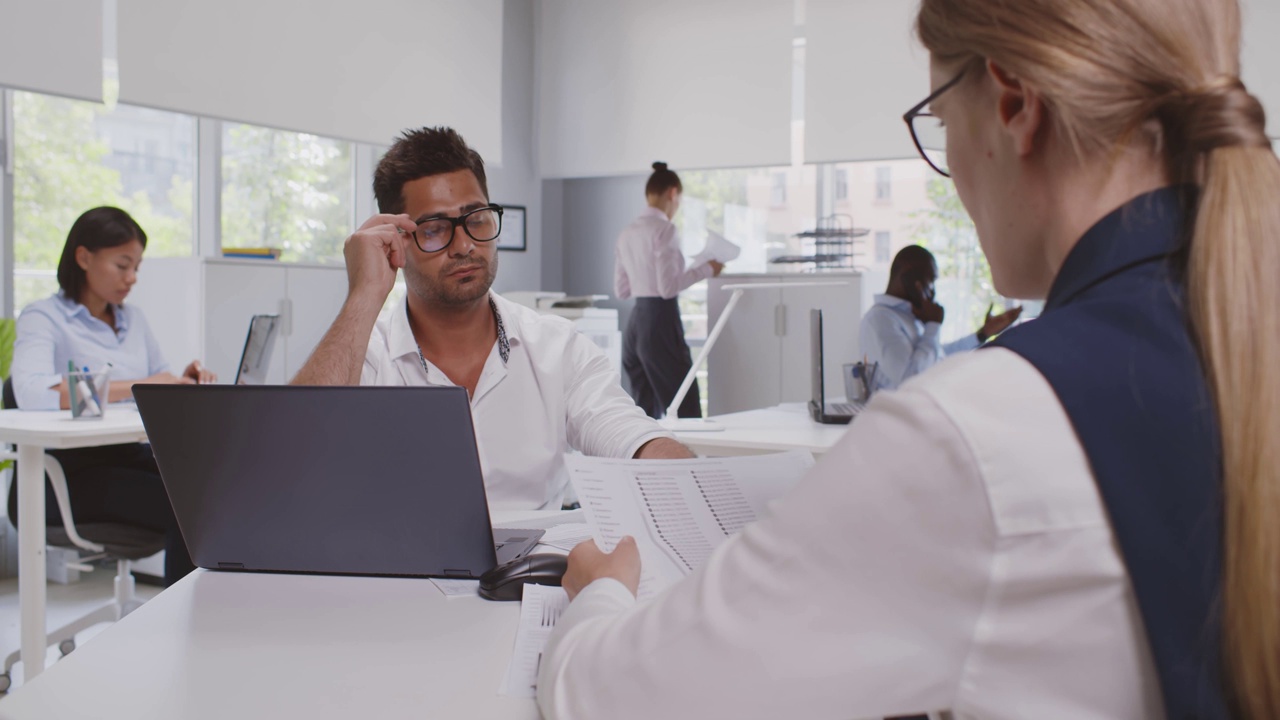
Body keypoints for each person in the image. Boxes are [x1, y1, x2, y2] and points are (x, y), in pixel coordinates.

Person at [535, 0, 1279, 717]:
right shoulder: (1232, 334)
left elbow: (608, 698)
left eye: (940, 122)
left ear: (1014, 105)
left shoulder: (980, 431)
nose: (949, 165)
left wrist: (599, 589)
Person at [291, 128, 694, 511]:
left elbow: (630, 435)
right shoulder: (368, 356)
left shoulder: (557, 348)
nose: (464, 246)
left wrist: (695, 484)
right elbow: (293, 458)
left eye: (477, 218)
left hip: (533, 579)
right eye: (433, 230)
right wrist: (362, 296)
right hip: (404, 579)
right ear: (396, 241)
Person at [8, 206, 216, 586]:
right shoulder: (44, 317)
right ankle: (189, 624)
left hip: (129, 454)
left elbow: (157, 385)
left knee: (212, 481)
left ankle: (212, 613)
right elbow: (32, 391)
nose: (132, 278)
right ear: (84, 257)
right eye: (122, 265)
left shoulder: (133, 319)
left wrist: (178, 382)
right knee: (190, 504)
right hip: (68, 473)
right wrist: (146, 384)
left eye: (136, 267)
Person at [614, 162, 723, 419]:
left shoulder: (626, 233)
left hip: (636, 324)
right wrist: (707, 268)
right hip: (660, 321)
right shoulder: (665, 229)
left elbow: (621, 290)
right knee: (686, 407)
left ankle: (645, 459)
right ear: (673, 193)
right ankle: (690, 460)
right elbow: (668, 288)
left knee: (644, 410)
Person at [860, 244, 1021, 390]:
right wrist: (933, 325)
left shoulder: (909, 317)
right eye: (930, 280)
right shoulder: (880, 319)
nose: (933, 291)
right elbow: (910, 380)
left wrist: (982, 334)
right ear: (910, 277)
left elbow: (937, 358)